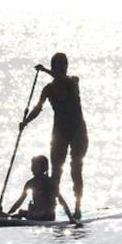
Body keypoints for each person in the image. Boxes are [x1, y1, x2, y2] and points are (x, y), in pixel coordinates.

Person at [20, 53, 88, 220]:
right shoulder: (48, 89)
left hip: (78, 131)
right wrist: (25, 122)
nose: (60, 67)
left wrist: (45, 70)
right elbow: (37, 108)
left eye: (62, 63)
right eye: (56, 64)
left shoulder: (73, 81)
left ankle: (77, 208)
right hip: (60, 132)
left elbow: (62, 78)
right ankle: (48, 208)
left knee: (75, 169)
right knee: (55, 172)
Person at [7, 155, 75, 223]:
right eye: (32, 166)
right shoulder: (33, 183)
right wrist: (9, 213)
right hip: (45, 215)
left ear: (44, 168)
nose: (32, 169)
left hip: (45, 216)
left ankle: (6, 216)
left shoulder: (49, 182)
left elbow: (61, 200)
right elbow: (19, 202)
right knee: (22, 212)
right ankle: (7, 216)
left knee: (21, 212)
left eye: (35, 166)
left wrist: (71, 218)